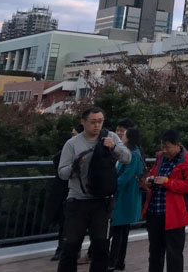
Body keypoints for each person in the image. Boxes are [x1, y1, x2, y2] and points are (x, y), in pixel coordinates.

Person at [56, 107, 131, 272]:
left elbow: (127, 158)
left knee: (101, 248)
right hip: (78, 201)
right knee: (70, 248)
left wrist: (114, 147)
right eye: (93, 122)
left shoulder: (110, 137)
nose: (97, 125)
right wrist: (76, 165)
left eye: (100, 121)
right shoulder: (72, 144)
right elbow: (62, 173)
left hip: (102, 202)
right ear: (83, 122)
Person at [141, 129, 188, 272]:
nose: (164, 150)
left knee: (174, 253)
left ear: (177, 145)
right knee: (155, 252)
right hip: (155, 211)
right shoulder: (160, 157)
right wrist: (149, 181)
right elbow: (153, 173)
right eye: (163, 146)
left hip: (174, 214)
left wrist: (169, 182)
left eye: (167, 147)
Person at [108, 127, 144, 272]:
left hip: (125, 195)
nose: (122, 137)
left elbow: (126, 176)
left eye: (124, 135)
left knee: (118, 229)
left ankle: (113, 261)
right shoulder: (135, 152)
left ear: (129, 138)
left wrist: (111, 186)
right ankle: (118, 262)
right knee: (122, 230)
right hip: (128, 195)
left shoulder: (132, 154)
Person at [45, 125, 82, 261]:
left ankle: (69, 249)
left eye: (74, 134)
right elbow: (57, 161)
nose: (71, 137)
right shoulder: (69, 148)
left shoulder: (82, 150)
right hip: (63, 190)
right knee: (63, 220)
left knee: (72, 222)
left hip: (75, 191)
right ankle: (62, 248)